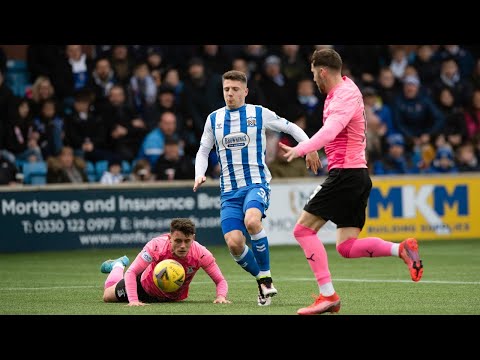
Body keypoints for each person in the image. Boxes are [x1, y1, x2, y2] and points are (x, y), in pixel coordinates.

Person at [279, 48, 424, 315]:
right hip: (357, 175)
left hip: (345, 175)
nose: (313, 80)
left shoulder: (342, 97)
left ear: (322, 71)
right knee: (346, 246)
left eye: (313, 73)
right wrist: (312, 147)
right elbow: (333, 133)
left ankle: (327, 296)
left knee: (303, 231)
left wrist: (299, 149)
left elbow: (331, 130)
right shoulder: (347, 88)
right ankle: (400, 249)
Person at [193, 70, 320, 306]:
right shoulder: (214, 119)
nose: (230, 94)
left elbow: (290, 127)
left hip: (256, 184)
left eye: (234, 89)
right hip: (229, 192)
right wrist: (199, 174)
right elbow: (202, 151)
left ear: (245, 91)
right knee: (234, 243)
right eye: (226, 89)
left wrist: (309, 147)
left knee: (252, 221)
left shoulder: (259, 113)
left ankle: (266, 277)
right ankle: (262, 281)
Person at [100, 218, 230, 305]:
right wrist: (133, 300)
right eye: (178, 241)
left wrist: (221, 296)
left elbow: (220, 280)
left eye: (187, 241)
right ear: (170, 238)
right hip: (143, 287)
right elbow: (132, 272)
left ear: (193, 238)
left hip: (172, 297)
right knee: (107, 296)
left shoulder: (202, 254)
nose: (183, 246)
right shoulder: (156, 246)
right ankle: (117, 265)